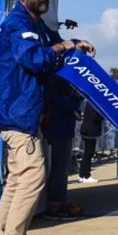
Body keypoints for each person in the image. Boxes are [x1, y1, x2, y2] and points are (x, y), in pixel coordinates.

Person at [0, 0, 95, 235]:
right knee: (32, 176)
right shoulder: (18, 25)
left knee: (17, 180)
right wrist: (66, 46)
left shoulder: (35, 24)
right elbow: (35, 59)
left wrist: (75, 42)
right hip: (17, 112)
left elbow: (52, 45)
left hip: (20, 111)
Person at [42, 80, 84, 220]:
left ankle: (60, 201)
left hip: (62, 126)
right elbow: (65, 104)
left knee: (62, 168)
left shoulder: (58, 80)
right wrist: (76, 98)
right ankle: (55, 204)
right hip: (59, 127)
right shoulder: (57, 81)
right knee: (59, 168)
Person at [77, 103, 103, 183]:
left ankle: (82, 175)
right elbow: (94, 117)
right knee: (88, 154)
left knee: (88, 154)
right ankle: (85, 175)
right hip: (89, 131)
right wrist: (102, 116)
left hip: (89, 130)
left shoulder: (92, 104)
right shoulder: (93, 104)